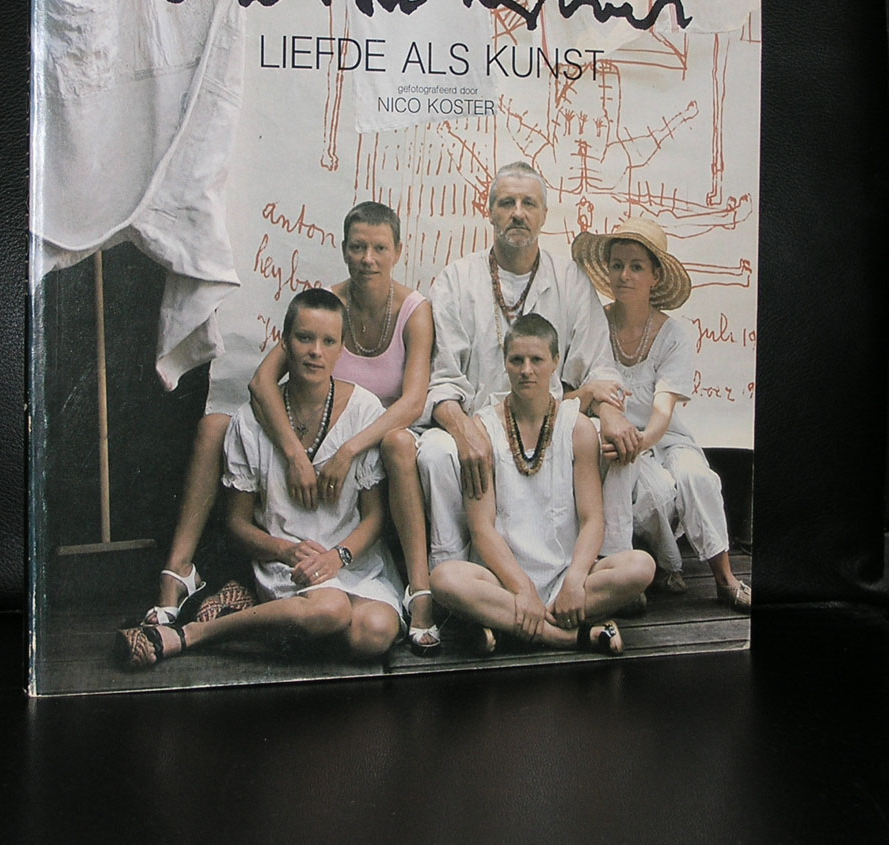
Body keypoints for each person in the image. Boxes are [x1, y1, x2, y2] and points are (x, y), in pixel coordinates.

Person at [116, 288, 404, 670]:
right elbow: (237, 524)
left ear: (342, 348)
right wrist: (284, 551)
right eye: (304, 338)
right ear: (285, 342)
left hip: (352, 561)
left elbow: (375, 517)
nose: (315, 351)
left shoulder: (364, 410)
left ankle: (280, 629)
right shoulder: (250, 422)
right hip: (287, 566)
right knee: (331, 609)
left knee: (375, 632)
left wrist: (339, 556)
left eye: (328, 341)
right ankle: (191, 634)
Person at [417, 161, 640, 567]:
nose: (518, 213)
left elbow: (599, 367)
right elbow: (443, 382)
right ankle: (453, 570)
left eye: (528, 204)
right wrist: (466, 433)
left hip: (550, 425)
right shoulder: (456, 280)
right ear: (489, 211)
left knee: (613, 438)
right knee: (434, 451)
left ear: (544, 214)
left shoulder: (570, 279)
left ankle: (607, 561)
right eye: (507, 203)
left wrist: (610, 412)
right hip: (482, 427)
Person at [248, 202, 437, 654]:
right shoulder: (328, 308)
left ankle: (420, 592)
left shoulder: (415, 310)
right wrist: (295, 453)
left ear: (398, 251)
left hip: (381, 439)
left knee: (396, 443)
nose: (368, 259)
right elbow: (261, 382)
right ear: (344, 249)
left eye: (379, 248)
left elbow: (413, 402)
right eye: (357, 247)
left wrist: (350, 449)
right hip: (329, 436)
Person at [430, 314, 654, 655]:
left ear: (555, 362)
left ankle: (507, 627)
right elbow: (481, 528)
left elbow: (592, 518)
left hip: (564, 575)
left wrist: (575, 581)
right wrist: (523, 590)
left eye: (537, 360)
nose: (526, 370)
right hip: (504, 582)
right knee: (444, 579)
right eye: (516, 360)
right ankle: (570, 636)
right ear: (504, 362)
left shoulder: (576, 427)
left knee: (640, 567)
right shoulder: (484, 429)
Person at [571, 217, 751, 611]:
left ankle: (725, 578)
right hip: (611, 438)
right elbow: (578, 390)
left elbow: (663, 409)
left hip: (662, 436)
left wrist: (640, 441)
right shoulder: (593, 324)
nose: (624, 275)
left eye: (636, 266)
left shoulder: (673, 335)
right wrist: (618, 434)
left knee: (695, 477)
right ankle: (624, 574)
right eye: (617, 265)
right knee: (639, 480)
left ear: (655, 276)